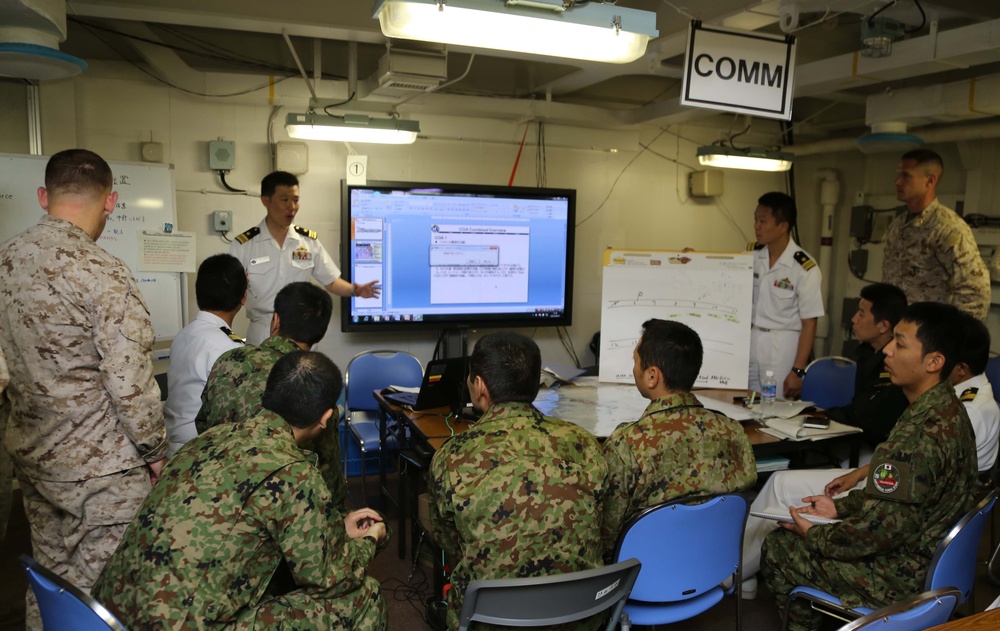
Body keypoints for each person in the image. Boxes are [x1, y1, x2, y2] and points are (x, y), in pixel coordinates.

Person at [93, 351, 388, 630]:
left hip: (108, 615)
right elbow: (328, 578)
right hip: (181, 623)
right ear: (326, 418)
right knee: (364, 597)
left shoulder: (209, 439)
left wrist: (334, 528)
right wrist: (370, 542)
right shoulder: (293, 473)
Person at [0, 149, 167, 629]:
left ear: (43, 196)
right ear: (111, 201)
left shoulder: (5, 261)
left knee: (51, 580)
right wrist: (155, 452)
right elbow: (129, 384)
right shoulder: (103, 273)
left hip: (34, 459)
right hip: (103, 474)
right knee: (111, 594)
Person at [759, 302, 977, 631]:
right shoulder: (947, 409)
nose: (887, 350)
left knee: (780, 546)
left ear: (934, 362)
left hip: (902, 575)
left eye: (900, 343)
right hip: (929, 556)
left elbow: (877, 534)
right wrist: (838, 508)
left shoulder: (917, 440)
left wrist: (816, 533)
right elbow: (900, 498)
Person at [427, 331, 607, 631]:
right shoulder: (584, 443)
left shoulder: (452, 457)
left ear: (479, 386)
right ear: (537, 383)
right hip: (581, 615)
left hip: (490, 620)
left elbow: (450, 543)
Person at [741, 283, 909, 598]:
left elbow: (869, 419)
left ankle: (735, 573)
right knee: (779, 481)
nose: (854, 320)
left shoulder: (901, 383)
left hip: (872, 460)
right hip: (869, 462)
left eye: (862, 313)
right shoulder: (867, 353)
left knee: (782, 489)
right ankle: (740, 571)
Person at [600, 319, 756, 554]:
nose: (634, 368)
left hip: (644, 577)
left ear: (652, 376)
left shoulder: (627, 444)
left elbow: (608, 535)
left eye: (636, 361)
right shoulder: (733, 431)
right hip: (712, 568)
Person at [196, 281, 346, 510]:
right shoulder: (317, 385)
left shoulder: (228, 361)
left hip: (214, 498)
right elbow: (329, 478)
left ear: (275, 320)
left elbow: (203, 425)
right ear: (321, 333)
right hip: (283, 510)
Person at [230, 171, 379, 344]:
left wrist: (355, 290)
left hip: (302, 332)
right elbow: (231, 293)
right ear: (266, 201)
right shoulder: (245, 245)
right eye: (284, 200)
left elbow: (330, 280)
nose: (291, 207)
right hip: (263, 329)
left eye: (295, 200)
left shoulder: (308, 242)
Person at [883, 149, 990, 319]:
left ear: (930, 181)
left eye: (906, 176)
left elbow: (975, 291)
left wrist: (951, 338)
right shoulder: (897, 227)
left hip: (928, 333)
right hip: (897, 331)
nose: (897, 182)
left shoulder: (948, 228)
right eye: (898, 175)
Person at [163, 253, 247, 455]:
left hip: (172, 445)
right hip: (202, 453)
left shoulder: (184, 335)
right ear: (243, 297)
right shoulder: (230, 349)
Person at [747, 191, 825, 400]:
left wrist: (798, 370)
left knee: (776, 408)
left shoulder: (804, 268)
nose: (757, 226)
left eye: (763, 221)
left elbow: (810, 323)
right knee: (745, 402)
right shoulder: (751, 255)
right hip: (752, 340)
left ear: (783, 226)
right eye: (755, 219)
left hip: (781, 346)